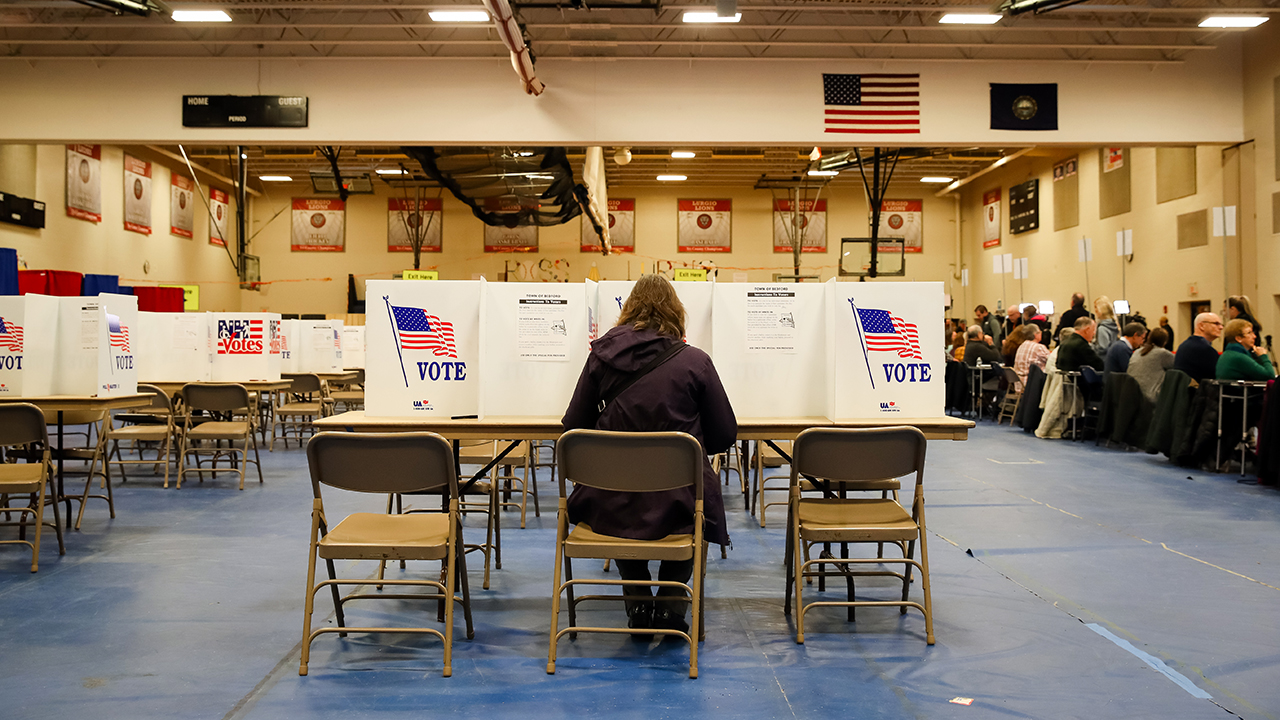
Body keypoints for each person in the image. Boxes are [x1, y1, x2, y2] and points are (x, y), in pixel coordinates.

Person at [562, 274, 737, 636]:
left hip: (609, 500)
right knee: (694, 508)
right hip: (678, 501)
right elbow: (724, 435)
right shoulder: (696, 362)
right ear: (676, 313)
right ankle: (671, 608)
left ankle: (638, 600)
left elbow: (573, 428)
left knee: (627, 505)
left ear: (627, 310)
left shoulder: (600, 358)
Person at [1127, 326, 1175, 402]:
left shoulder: (1137, 352)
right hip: (1149, 398)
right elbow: (1177, 365)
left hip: (1130, 395)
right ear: (1165, 342)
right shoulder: (1162, 353)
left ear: (1149, 337)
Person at [1173, 312, 1223, 383]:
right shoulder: (1204, 349)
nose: (1221, 327)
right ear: (1201, 326)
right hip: (1198, 392)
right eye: (1216, 324)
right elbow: (1219, 376)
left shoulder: (1184, 345)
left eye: (1221, 324)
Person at [1013, 323, 1050, 391]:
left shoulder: (1021, 346)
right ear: (1035, 334)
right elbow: (1052, 361)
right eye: (1039, 332)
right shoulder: (1038, 347)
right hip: (1031, 384)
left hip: (1019, 383)